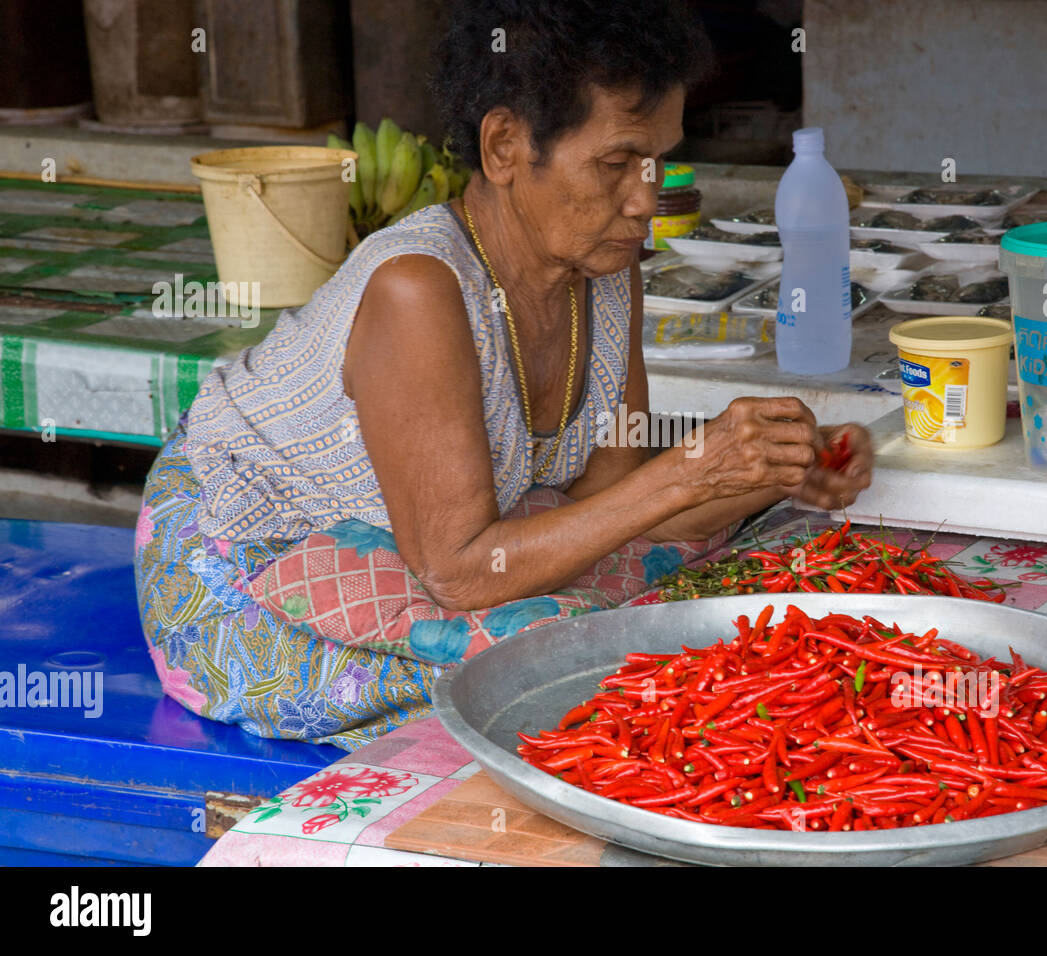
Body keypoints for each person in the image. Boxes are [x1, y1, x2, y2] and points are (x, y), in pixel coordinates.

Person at [133, 0, 873, 752]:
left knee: (657, 594)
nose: (646, 198)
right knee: (562, 655)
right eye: (617, 163)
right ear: (505, 146)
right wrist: (688, 473)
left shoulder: (604, 270)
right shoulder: (418, 289)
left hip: (446, 538)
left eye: (658, 161)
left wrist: (778, 467)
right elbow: (460, 573)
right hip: (241, 562)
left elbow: (614, 507)